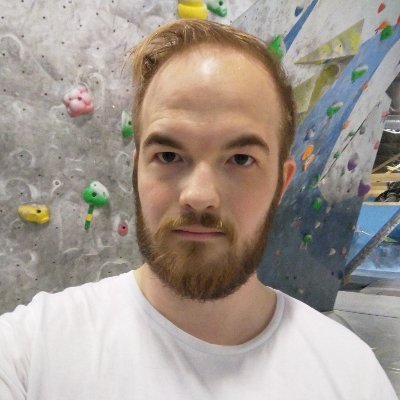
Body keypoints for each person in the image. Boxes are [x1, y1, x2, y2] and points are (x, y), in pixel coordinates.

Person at [0, 19, 397, 400]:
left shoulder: (351, 376)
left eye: (240, 159)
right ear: (137, 171)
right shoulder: (31, 353)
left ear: (281, 182)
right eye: (169, 155)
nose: (199, 195)